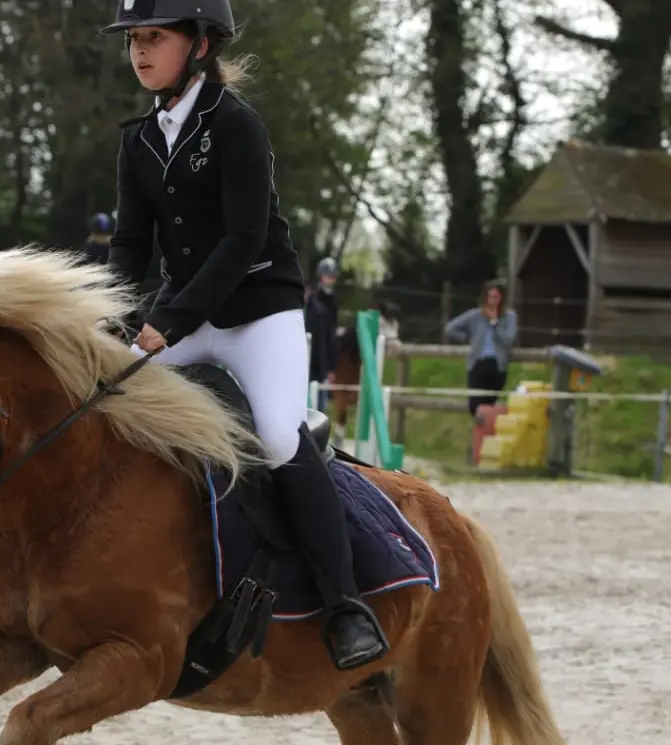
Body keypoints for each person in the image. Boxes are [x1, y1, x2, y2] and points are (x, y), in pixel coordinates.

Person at [101, 0, 388, 671]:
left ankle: (345, 606)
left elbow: (242, 239)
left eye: (154, 38)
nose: (139, 51)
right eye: (133, 41)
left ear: (199, 45)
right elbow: (131, 241)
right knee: (110, 408)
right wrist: (113, 314)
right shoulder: (139, 140)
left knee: (282, 438)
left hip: (260, 312)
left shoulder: (236, 126)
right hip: (185, 315)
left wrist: (163, 323)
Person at [444, 280, 518, 417]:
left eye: (495, 297)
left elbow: (508, 340)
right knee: (475, 405)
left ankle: (485, 435)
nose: (492, 301)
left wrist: (495, 323)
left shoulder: (509, 317)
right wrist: (466, 338)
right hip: (478, 363)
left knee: (488, 406)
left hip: (497, 365)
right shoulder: (475, 315)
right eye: (489, 296)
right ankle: (480, 432)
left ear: (502, 298)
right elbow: (450, 328)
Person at [303, 257, 339, 410]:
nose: (331, 279)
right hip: (312, 350)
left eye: (333, 276)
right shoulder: (313, 300)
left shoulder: (334, 300)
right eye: (328, 276)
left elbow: (332, 331)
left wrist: (330, 366)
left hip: (324, 348)